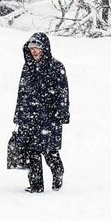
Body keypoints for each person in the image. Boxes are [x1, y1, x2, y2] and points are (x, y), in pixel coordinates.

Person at [13, 32, 69, 193]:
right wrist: (19, 115)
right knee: (31, 151)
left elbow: (63, 93)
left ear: (45, 48)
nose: (34, 51)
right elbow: (22, 93)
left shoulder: (56, 67)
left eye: (37, 48)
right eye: (31, 48)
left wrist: (60, 114)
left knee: (49, 150)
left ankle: (58, 171)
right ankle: (36, 186)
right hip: (29, 116)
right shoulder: (28, 67)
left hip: (49, 117)